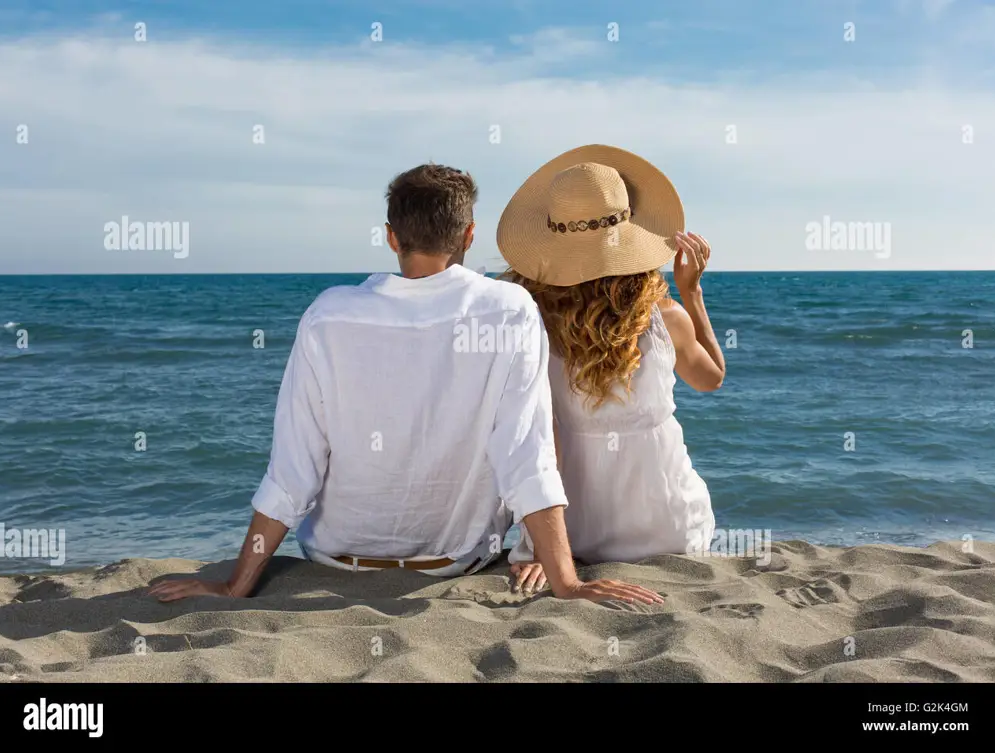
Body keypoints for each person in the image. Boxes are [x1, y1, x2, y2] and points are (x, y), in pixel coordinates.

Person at [150, 163, 662, 605]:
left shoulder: (328, 315)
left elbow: (293, 469)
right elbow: (526, 456)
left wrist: (236, 584)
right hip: (451, 563)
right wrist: (566, 581)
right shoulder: (508, 311)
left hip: (336, 560)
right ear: (467, 235)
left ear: (392, 236)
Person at [496, 145, 725, 564]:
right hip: (671, 529)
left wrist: (540, 550)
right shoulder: (665, 318)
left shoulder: (531, 324)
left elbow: (538, 437)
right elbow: (711, 378)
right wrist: (691, 292)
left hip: (576, 532)